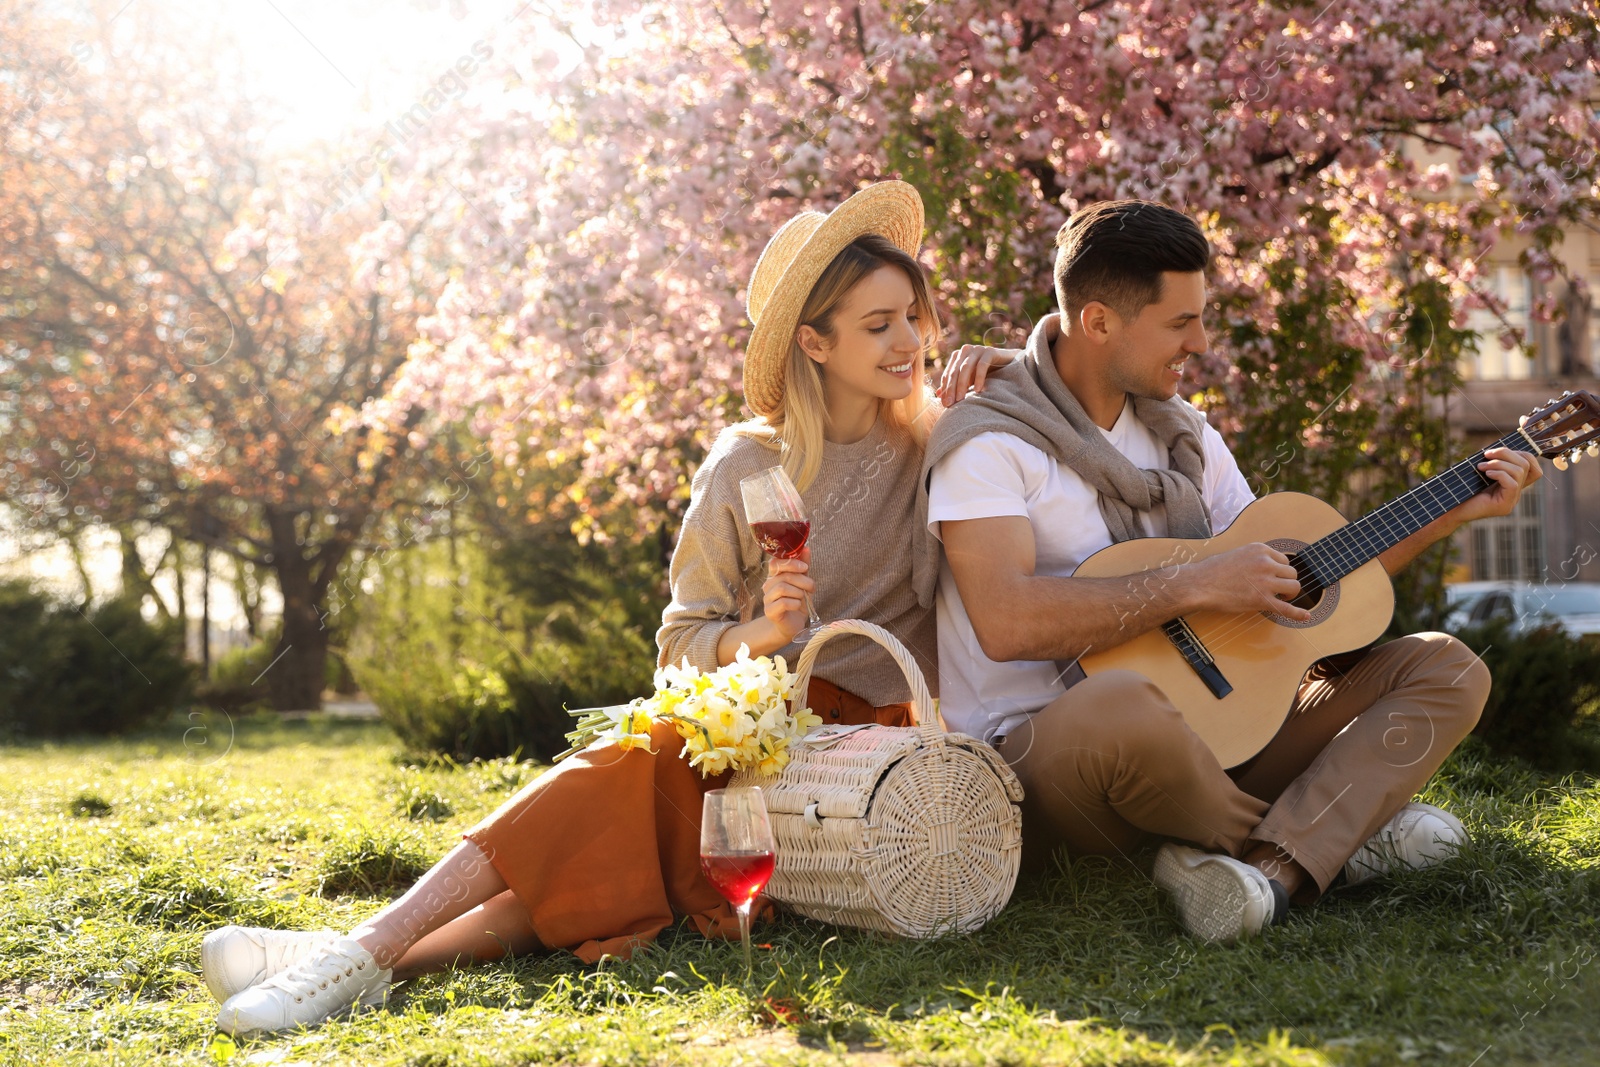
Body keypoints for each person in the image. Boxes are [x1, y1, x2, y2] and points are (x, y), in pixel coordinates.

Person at [203, 181, 1010, 1036]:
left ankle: (345, 955)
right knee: (613, 802)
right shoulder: (747, 466)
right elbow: (678, 647)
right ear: (814, 341)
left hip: (867, 746)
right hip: (750, 728)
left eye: (915, 317)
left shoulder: (943, 442)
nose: (912, 343)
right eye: (879, 324)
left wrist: (1012, 373)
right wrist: (761, 634)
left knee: (613, 809)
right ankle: (362, 954)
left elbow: (1074, 406)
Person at [918, 199, 1542, 943]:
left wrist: (1456, 510)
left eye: (1202, 318)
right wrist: (1194, 583)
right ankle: (1337, 833)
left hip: (1215, 732)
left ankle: (1269, 874)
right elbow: (1005, 619)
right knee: (1123, 702)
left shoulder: (1187, 437)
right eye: (1181, 324)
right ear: (1097, 323)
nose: (1202, 343)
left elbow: (1306, 579)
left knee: (1448, 667)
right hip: (1042, 760)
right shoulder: (990, 441)